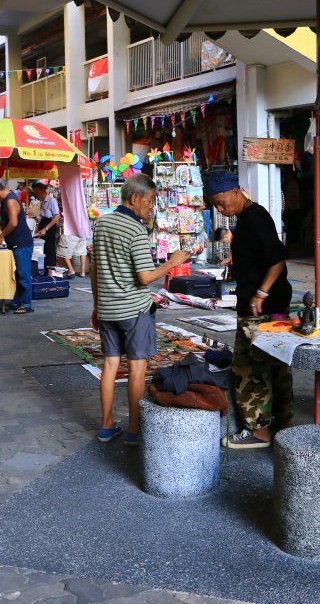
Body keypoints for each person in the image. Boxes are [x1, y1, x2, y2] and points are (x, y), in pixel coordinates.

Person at [90, 173, 190, 446]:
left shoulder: (101, 223)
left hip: (108, 308)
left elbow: (94, 268)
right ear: (135, 199)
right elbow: (145, 277)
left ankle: (106, 425)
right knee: (136, 368)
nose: (151, 207)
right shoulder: (135, 230)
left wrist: (97, 306)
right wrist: (173, 262)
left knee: (109, 365)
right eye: (150, 200)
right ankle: (134, 429)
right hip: (134, 310)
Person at [203, 170, 293, 449]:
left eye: (221, 202)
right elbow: (260, 254)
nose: (221, 209)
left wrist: (260, 293)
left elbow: (277, 259)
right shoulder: (248, 218)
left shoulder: (254, 217)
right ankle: (284, 424)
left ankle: (260, 431)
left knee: (247, 367)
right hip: (273, 305)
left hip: (261, 307)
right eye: (215, 206)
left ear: (236, 191)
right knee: (276, 363)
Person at [0, 179, 35, 314]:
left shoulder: (11, 201)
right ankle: (17, 301)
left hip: (22, 242)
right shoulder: (5, 200)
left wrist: (1, 236)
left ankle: (26, 304)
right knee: (18, 274)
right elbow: (6, 219)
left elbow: (13, 223)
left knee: (23, 274)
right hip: (15, 243)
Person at [32, 182, 60, 274]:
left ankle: (51, 270)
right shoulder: (42, 202)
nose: (36, 194)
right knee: (43, 249)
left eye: (36, 192)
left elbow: (56, 217)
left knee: (50, 248)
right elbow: (41, 216)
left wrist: (46, 228)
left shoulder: (52, 201)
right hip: (43, 223)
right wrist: (37, 228)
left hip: (50, 225)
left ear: (42, 190)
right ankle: (45, 269)